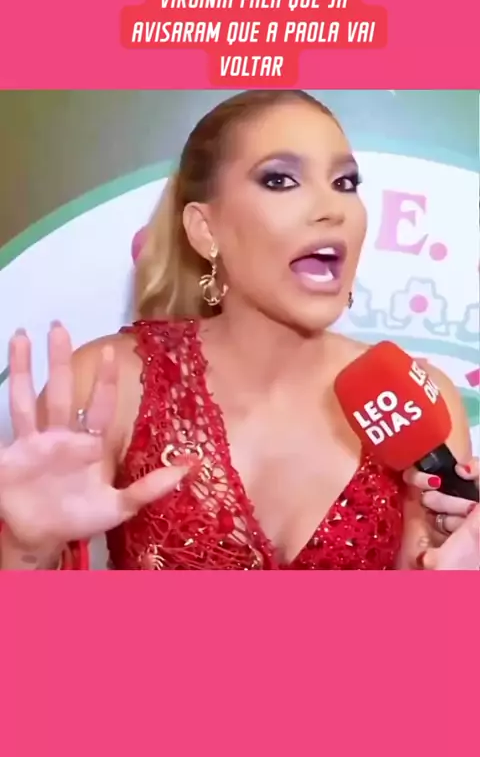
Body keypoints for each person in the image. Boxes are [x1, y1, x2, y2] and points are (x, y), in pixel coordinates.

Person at [0, 90, 478, 570]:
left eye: (344, 182)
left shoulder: (420, 402)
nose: (332, 208)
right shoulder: (112, 382)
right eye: (280, 180)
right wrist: (27, 548)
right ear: (205, 230)